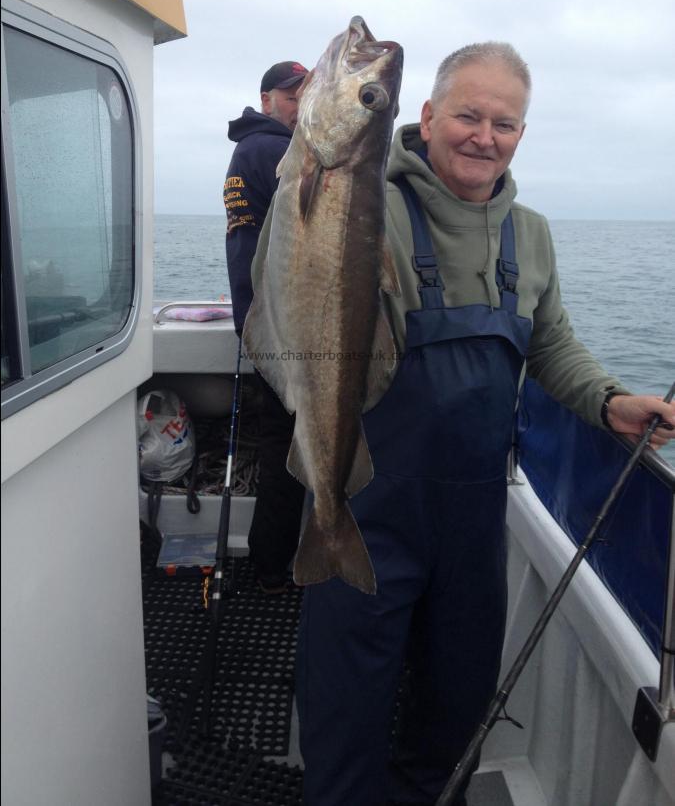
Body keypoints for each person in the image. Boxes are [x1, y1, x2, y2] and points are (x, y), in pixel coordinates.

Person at [284, 43, 675, 805]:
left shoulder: (529, 233)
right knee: (345, 701)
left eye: (504, 122)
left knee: (456, 697)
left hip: (470, 516)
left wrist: (606, 399)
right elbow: (303, 296)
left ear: (520, 135)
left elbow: (550, 340)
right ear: (425, 117)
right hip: (364, 501)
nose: (482, 136)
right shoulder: (360, 201)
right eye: (467, 114)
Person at [224, 60, 308, 593]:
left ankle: (269, 561)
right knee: (288, 447)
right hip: (281, 327)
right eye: (291, 95)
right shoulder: (273, 149)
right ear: (267, 98)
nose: (300, 105)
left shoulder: (246, 149)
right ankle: (274, 567)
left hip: (260, 319)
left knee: (280, 443)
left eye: (306, 96)